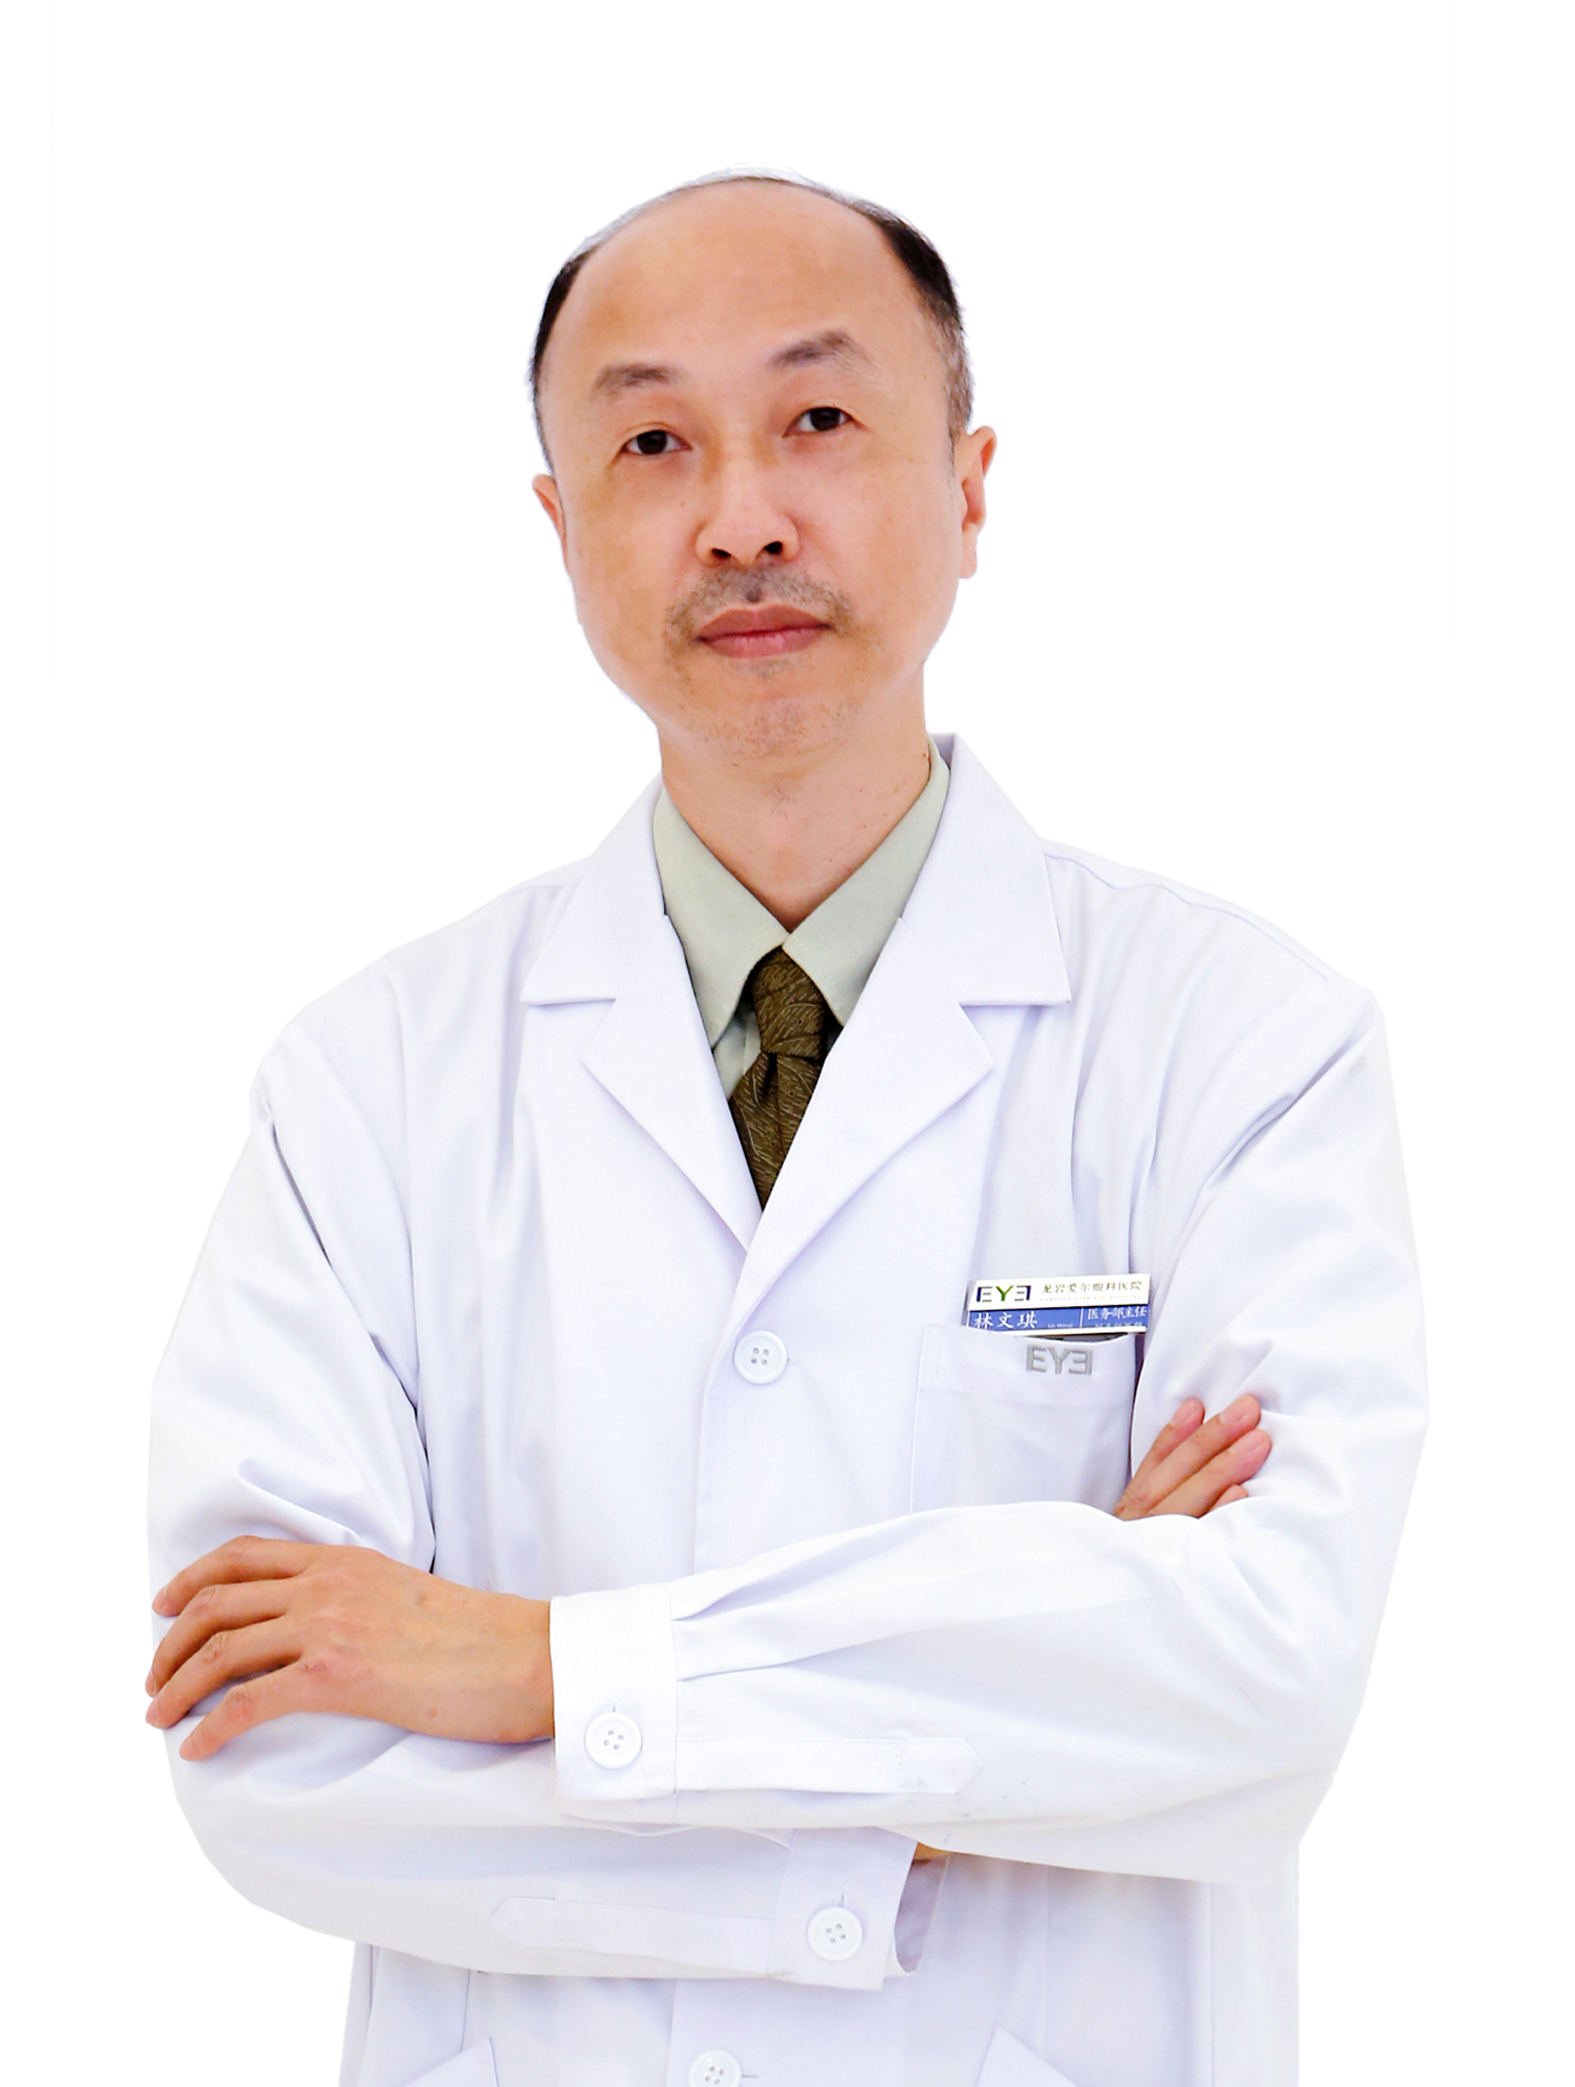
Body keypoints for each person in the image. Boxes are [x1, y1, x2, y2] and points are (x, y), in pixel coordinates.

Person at [145, 173, 1426, 2087]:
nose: (741, 516)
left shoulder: (1242, 1046)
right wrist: (974, 1743)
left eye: (818, 417)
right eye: (653, 442)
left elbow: (1260, 1683)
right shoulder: (368, 1089)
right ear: (562, 530)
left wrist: (535, 1669)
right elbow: (276, 1749)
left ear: (972, 488)